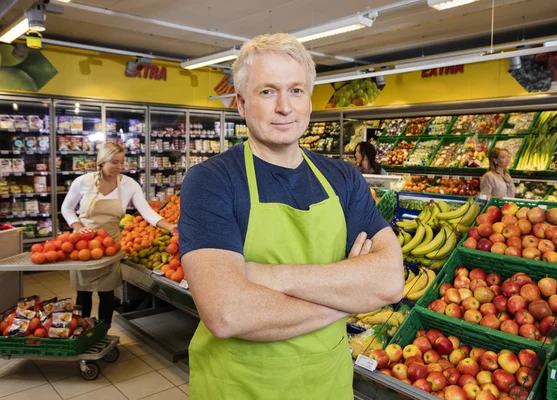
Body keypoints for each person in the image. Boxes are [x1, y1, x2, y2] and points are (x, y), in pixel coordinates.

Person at [179, 33, 404, 400]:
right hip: (241, 387)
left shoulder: (343, 178)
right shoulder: (211, 181)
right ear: (240, 103)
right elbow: (227, 313)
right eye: (267, 92)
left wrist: (267, 276)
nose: (285, 106)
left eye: (296, 90)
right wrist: (353, 294)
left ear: (310, 102)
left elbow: (391, 282)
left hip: (328, 385)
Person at [61, 142, 177, 328]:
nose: (120, 167)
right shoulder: (83, 182)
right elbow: (66, 208)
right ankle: (81, 331)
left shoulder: (129, 185)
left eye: (122, 163)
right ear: (102, 161)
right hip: (84, 245)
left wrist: (169, 226)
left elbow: (146, 212)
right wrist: (76, 226)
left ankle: (103, 331)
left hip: (110, 246)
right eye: (115, 162)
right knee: (83, 294)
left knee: (107, 293)